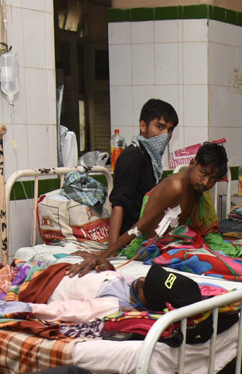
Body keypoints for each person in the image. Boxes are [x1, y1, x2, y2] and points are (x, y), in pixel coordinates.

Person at [74, 142, 231, 274]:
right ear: (192, 163)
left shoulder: (197, 189)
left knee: (228, 256)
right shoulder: (174, 187)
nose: (206, 182)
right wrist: (105, 255)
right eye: (203, 174)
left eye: (213, 179)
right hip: (154, 249)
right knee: (215, 264)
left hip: (177, 244)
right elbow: (140, 226)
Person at [76, 99, 178, 271]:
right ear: (143, 126)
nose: (165, 135)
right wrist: (111, 253)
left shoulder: (150, 158)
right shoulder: (133, 157)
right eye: (159, 127)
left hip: (146, 233)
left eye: (169, 130)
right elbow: (119, 205)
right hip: (130, 239)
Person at [0, 262, 202, 323]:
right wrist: (107, 266)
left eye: (144, 286)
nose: (139, 280)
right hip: (30, 270)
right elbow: (129, 279)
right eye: (147, 277)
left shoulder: (112, 306)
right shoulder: (129, 282)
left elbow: (51, 312)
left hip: (21, 288)